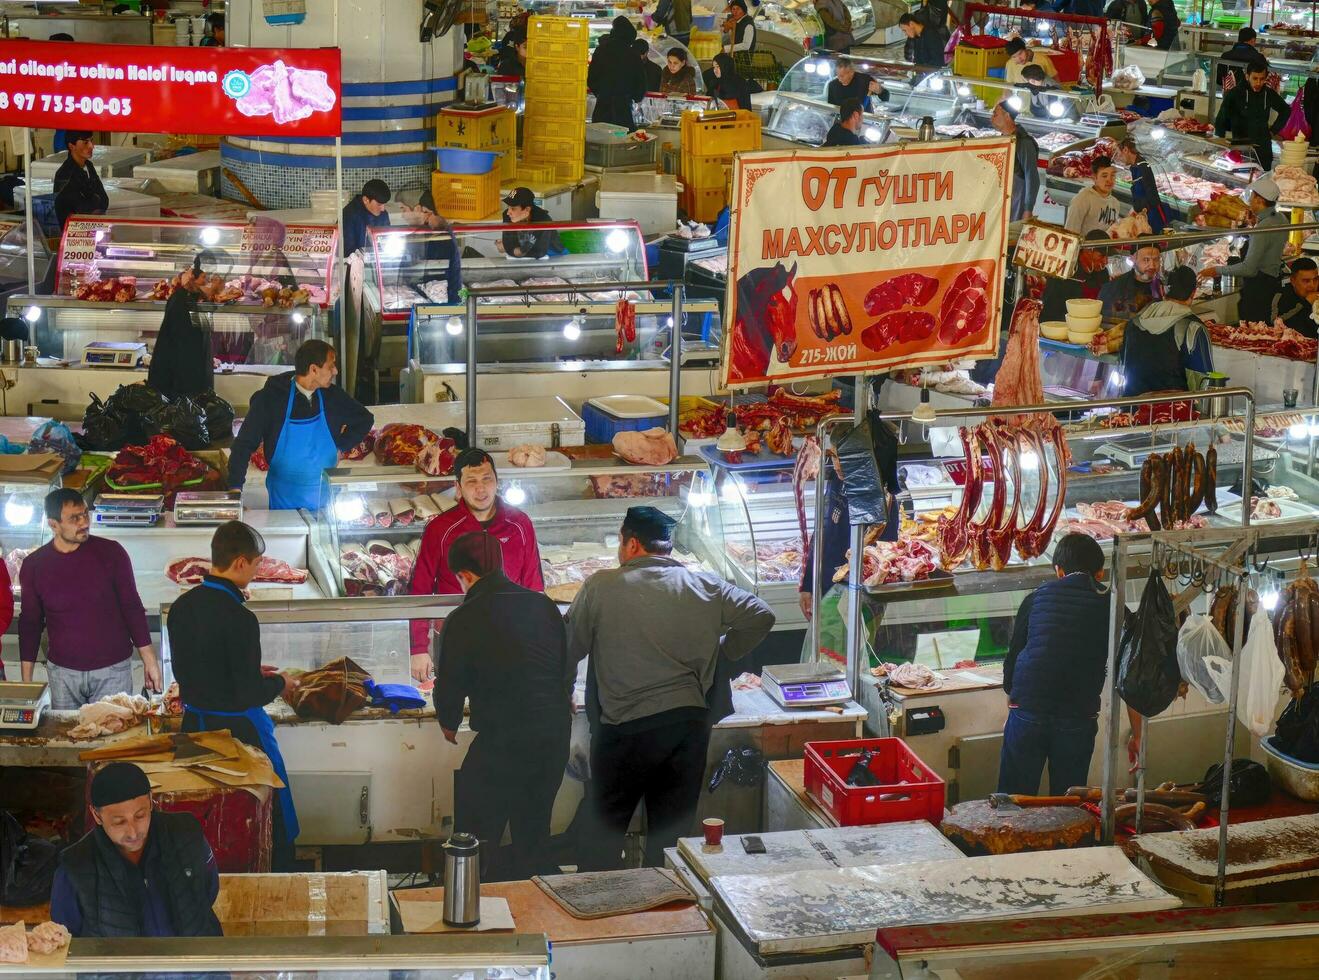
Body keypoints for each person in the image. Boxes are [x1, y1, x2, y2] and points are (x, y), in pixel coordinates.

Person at [569, 506, 775, 870]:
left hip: (623, 733)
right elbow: (762, 615)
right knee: (668, 843)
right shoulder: (705, 584)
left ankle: (599, 917)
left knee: (602, 840)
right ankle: (665, 917)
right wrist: (724, 653)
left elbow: (569, 647)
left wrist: (562, 689)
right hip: (686, 731)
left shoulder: (601, 586)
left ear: (631, 544)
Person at [435, 532, 571, 881]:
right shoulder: (543, 605)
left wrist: (448, 721)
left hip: (504, 740)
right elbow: (564, 664)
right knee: (533, 828)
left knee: (476, 832)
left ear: (463, 575)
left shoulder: (464, 616)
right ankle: (535, 913)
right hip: (553, 737)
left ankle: (477, 903)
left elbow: (450, 681)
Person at [170, 521, 301, 870]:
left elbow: (194, 668)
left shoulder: (182, 607)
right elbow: (247, 694)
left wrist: (245, 672)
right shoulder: (240, 618)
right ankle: (272, 880)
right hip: (239, 734)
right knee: (265, 816)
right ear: (240, 563)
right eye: (257, 565)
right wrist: (280, 684)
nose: (257, 572)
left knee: (204, 814)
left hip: (194, 729)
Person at [409, 449, 544, 684]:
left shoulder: (519, 524)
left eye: (487, 479)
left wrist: (537, 640)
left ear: (497, 482)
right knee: (456, 707)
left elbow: (533, 584)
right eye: (471, 481)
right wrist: (418, 648)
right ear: (458, 487)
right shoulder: (440, 529)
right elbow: (420, 589)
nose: (481, 489)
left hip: (509, 636)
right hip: (455, 637)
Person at [20, 490, 158, 709]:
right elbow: (30, 623)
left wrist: (149, 659)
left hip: (113, 670)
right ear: (53, 525)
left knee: (114, 741)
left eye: (85, 514)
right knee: (68, 739)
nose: (84, 522)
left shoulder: (112, 553)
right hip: (63, 674)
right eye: (75, 518)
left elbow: (131, 607)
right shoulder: (34, 566)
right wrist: (26, 682)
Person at [50, 763, 222, 938]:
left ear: (150, 800)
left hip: (196, 960)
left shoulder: (186, 834)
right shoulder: (76, 866)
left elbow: (208, 890)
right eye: (119, 822)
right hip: (122, 964)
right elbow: (68, 937)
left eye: (140, 816)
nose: (133, 832)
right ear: (96, 815)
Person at [997, 534, 1110, 796]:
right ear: (1100, 573)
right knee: (1068, 798)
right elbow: (1127, 665)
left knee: (1013, 795)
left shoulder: (1035, 598)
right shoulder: (1110, 602)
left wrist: (1013, 699)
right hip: (1078, 714)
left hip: (1028, 707)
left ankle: (1008, 833)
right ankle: (1066, 836)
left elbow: (1013, 657)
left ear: (1059, 571)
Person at [229, 339, 375, 510]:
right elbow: (243, 444)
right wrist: (235, 489)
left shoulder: (333, 396)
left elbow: (364, 419)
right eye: (330, 366)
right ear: (314, 369)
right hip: (283, 497)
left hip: (324, 496)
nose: (335, 371)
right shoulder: (271, 398)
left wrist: (341, 446)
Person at [1200, 174, 1289, 321]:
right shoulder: (1280, 219)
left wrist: (1216, 270)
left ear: (1260, 200)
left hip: (1258, 290)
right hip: (1271, 283)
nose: (1249, 201)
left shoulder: (1263, 228)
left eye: (1252, 197)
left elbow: (1249, 269)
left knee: (1252, 332)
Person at [1119, 265, 1214, 395]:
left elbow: (1123, 365)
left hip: (1131, 410)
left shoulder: (1134, 322)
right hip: (1173, 411)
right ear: (1194, 293)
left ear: (1164, 291)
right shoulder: (1193, 328)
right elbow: (1205, 381)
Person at [146, 251, 217, 400]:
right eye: (205, 278)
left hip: (189, 376)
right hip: (179, 380)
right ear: (193, 278)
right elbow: (182, 342)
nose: (208, 281)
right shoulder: (181, 300)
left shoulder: (193, 298)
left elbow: (203, 331)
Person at [1215, 58, 1287, 170]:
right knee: (1240, 180)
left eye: (1262, 79)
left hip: (1263, 148)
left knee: (1262, 180)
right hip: (1240, 146)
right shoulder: (1235, 93)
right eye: (1255, 78)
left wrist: (1273, 131)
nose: (1258, 83)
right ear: (1247, 76)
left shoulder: (1268, 93)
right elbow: (1221, 118)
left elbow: (1286, 110)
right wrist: (1220, 141)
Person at [588, 16, 648, 129]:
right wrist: (634, 97)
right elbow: (641, 84)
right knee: (622, 140)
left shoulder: (601, 51)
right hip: (623, 110)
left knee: (602, 139)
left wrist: (601, 93)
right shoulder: (632, 54)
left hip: (602, 107)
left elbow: (591, 78)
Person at [1040, 230, 1112, 322]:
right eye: (1101, 256)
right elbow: (1049, 311)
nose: (1106, 262)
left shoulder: (1103, 273)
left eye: (1107, 256)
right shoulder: (1063, 272)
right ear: (1087, 250)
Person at [992, 99, 1039, 223]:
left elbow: (1032, 177)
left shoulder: (1024, 142)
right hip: (1002, 201)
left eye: (995, 114)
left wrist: (1028, 209)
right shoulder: (1004, 139)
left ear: (1007, 116)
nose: (992, 118)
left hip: (1017, 203)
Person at [53, 132, 109, 231]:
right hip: (74, 235)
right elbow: (82, 208)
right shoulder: (64, 174)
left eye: (91, 141)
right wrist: (95, 200)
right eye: (85, 142)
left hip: (93, 229)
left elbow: (104, 200)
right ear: (71, 146)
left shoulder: (89, 166)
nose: (92, 146)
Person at [1114, 137, 1171, 234]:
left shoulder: (1142, 167)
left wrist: (1141, 212)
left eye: (1120, 154)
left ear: (1126, 150)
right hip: (1145, 215)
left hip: (1152, 220)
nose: (1119, 158)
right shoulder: (1136, 167)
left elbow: (1151, 196)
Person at [1099, 241, 1162, 320]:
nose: (1152, 266)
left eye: (1156, 260)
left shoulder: (1164, 287)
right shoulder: (1113, 288)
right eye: (1146, 260)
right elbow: (1106, 321)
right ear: (1133, 259)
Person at [498, 186, 562, 259]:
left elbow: (539, 252)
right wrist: (517, 250)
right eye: (508, 207)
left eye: (513, 208)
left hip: (553, 253)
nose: (508, 213)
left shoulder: (543, 220)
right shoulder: (507, 216)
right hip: (526, 253)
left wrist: (518, 251)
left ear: (527, 209)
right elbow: (509, 248)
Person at [1065, 155, 1121, 236]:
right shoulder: (1082, 199)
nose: (1109, 180)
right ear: (1094, 178)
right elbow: (1070, 233)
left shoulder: (1115, 203)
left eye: (1113, 175)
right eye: (1104, 176)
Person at [341, 179, 391, 257]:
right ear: (366, 200)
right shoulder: (348, 216)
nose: (383, 209)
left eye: (384, 204)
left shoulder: (383, 214)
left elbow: (387, 241)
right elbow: (347, 251)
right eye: (379, 204)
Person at [1272, 257, 1319, 337]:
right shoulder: (1282, 297)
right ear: (1293, 281)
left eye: (1315, 279)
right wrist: (1306, 303)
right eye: (1306, 281)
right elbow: (1286, 328)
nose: (1312, 285)